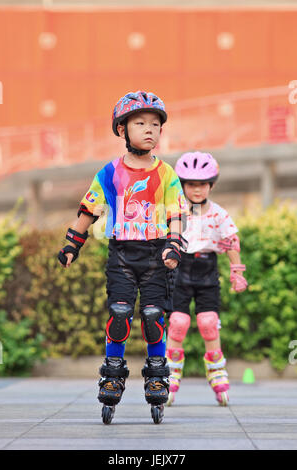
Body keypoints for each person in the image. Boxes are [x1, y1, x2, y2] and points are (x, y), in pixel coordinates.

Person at [58, 91, 187, 424]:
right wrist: (73, 243)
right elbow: (89, 208)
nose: (150, 130)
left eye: (156, 124)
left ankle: (158, 374)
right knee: (119, 314)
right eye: (140, 123)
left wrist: (174, 245)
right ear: (122, 130)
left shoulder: (168, 174)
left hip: (157, 253)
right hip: (122, 255)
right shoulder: (110, 173)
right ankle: (113, 373)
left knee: (153, 315)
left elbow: (177, 212)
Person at [165, 151, 248, 407]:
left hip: (207, 270)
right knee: (177, 323)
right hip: (180, 268)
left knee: (209, 322)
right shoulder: (175, 212)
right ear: (183, 185)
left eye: (202, 184)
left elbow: (232, 241)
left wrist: (237, 272)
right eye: (191, 184)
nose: (197, 190)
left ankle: (216, 372)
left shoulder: (219, 214)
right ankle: (168, 375)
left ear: (211, 185)